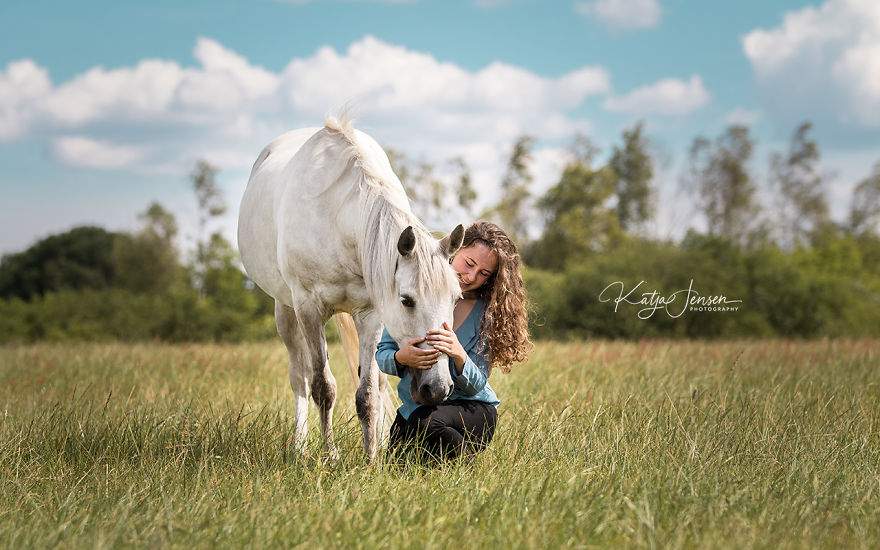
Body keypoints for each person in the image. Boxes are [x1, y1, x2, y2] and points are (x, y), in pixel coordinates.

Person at [375, 221, 532, 460]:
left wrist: (459, 355)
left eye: (484, 273)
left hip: (471, 409)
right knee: (398, 462)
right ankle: (451, 460)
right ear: (456, 251)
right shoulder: (414, 295)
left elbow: (478, 383)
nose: (471, 276)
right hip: (418, 407)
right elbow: (382, 353)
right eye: (469, 263)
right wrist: (400, 358)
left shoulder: (485, 314)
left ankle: (469, 465)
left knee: (425, 425)